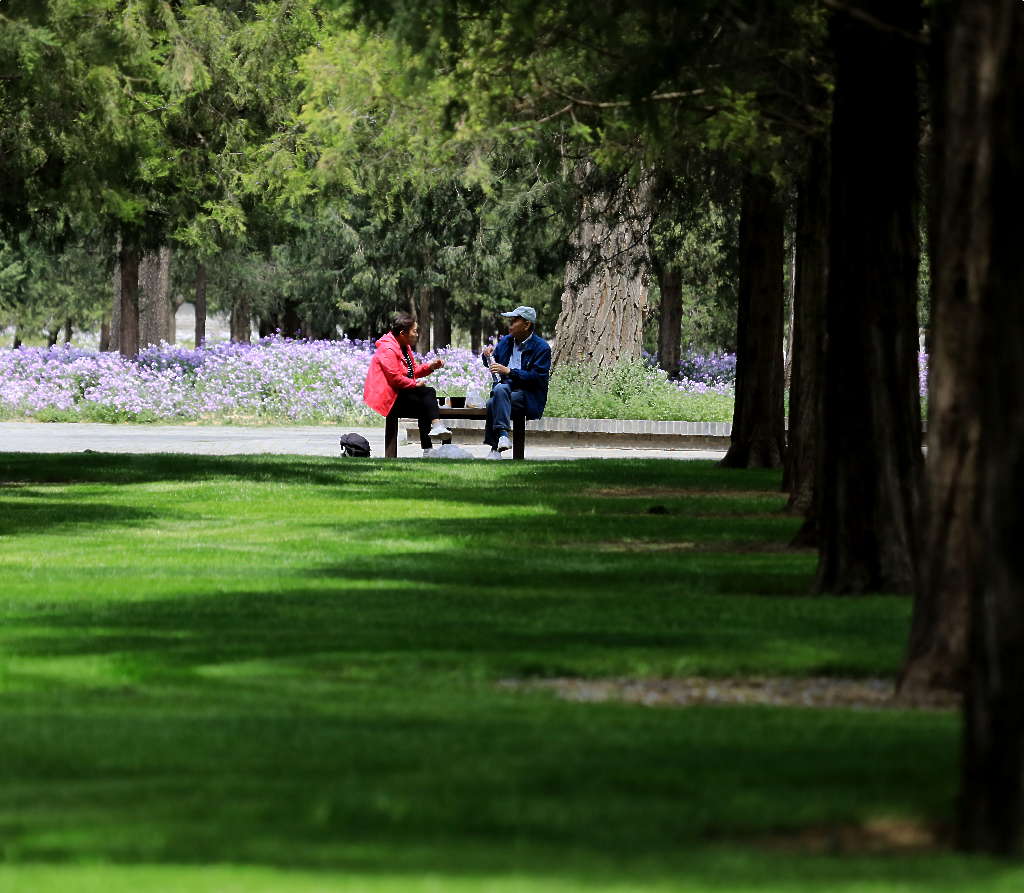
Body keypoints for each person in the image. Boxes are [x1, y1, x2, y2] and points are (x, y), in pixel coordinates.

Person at [363, 312, 451, 456]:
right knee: (428, 393)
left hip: (400, 393)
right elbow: (394, 378)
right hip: (389, 398)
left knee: (426, 400)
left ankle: (429, 448)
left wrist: (431, 367)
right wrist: (414, 385)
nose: (417, 334)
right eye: (415, 331)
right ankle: (435, 428)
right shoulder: (388, 349)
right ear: (403, 333)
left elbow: (413, 371)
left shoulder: (404, 346)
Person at [481, 305, 551, 459]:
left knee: (493, 401)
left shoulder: (542, 348)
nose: (510, 325)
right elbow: (493, 364)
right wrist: (487, 356)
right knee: (499, 393)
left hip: (528, 395)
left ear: (527, 325)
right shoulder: (507, 341)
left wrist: (509, 371)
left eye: (514, 321)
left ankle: (495, 448)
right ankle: (502, 438)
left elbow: (537, 378)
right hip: (506, 390)